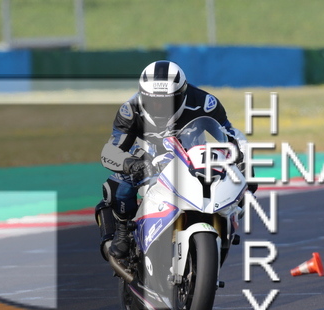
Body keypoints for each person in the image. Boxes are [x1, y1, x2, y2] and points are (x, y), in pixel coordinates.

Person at [99, 60, 251, 259]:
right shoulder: (130, 110)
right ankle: (123, 229)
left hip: (192, 155)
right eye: (153, 101)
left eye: (168, 100)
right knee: (118, 186)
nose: (160, 107)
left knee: (243, 186)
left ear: (182, 93)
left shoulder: (205, 103)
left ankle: (223, 223)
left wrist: (243, 160)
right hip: (147, 157)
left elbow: (230, 135)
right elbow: (111, 150)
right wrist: (130, 164)